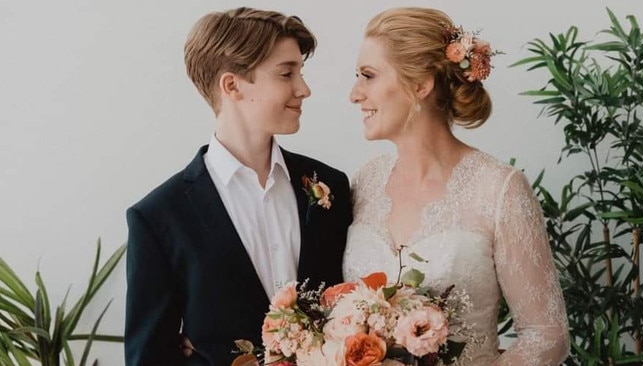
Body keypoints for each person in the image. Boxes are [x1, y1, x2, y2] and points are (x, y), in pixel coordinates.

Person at [124, 7, 352, 365]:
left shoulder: (330, 187)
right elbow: (148, 357)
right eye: (286, 73)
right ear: (231, 85)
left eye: (301, 72)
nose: (303, 89)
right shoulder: (158, 218)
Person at [343, 7, 569, 365]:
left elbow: (546, 334)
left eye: (368, 76)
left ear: (421, 84)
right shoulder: (363, 183)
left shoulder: (500, 189)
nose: (354, 94)